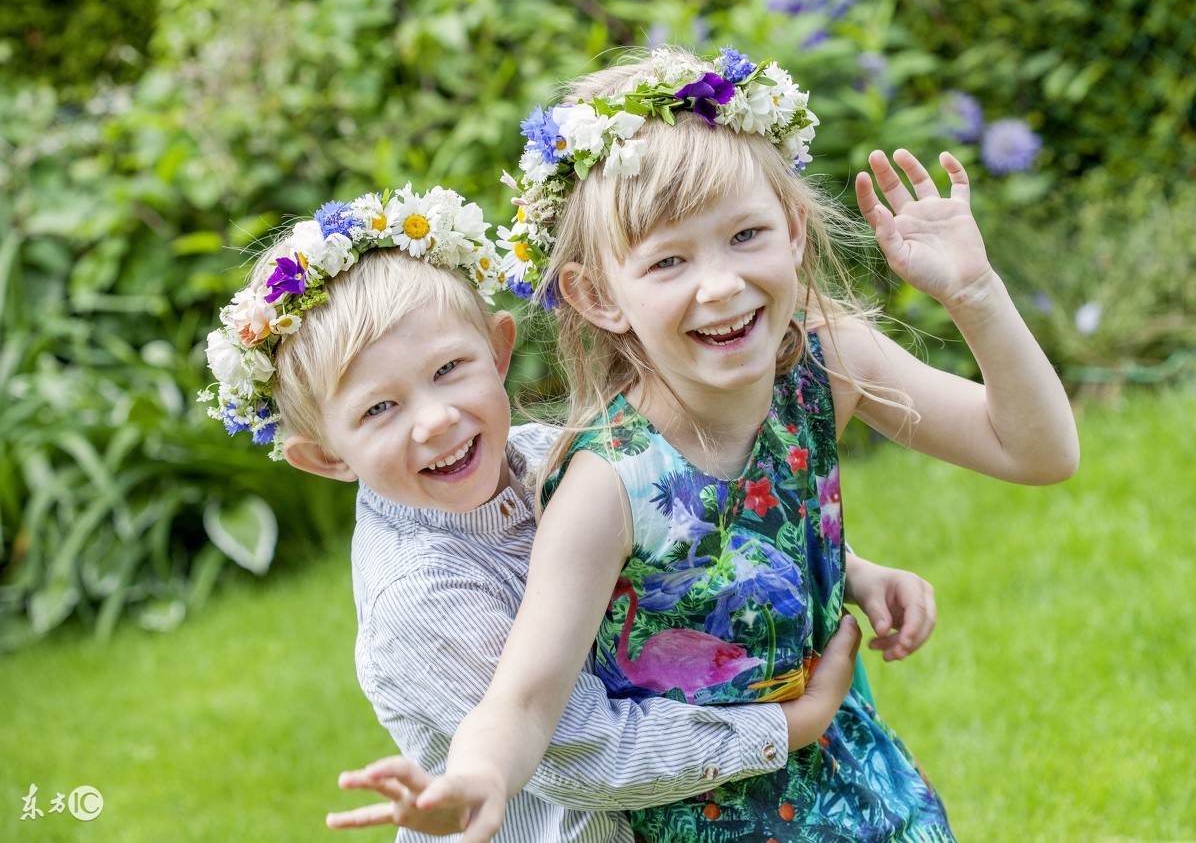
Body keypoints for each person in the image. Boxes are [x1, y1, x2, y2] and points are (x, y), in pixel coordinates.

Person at [402, 47, 1080, 841]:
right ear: (597, 295)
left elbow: (1036, 451)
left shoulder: (829, 361)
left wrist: (975, 294)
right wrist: (477, 776)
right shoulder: (607, 485)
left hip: (855, 782)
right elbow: (524, 697)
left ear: (793, 230)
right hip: (710, 814)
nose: (719, 284)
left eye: (745, 234)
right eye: (668, 260)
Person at [201, 182, 939, 842]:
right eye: (380, 409)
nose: (433, 420)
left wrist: (852, 570)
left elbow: (689, 544)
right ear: (325, 455)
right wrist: (788, 724)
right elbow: (572, 747)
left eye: (447, 370)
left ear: (498, 349)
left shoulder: (544, 452)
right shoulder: (419, 596)